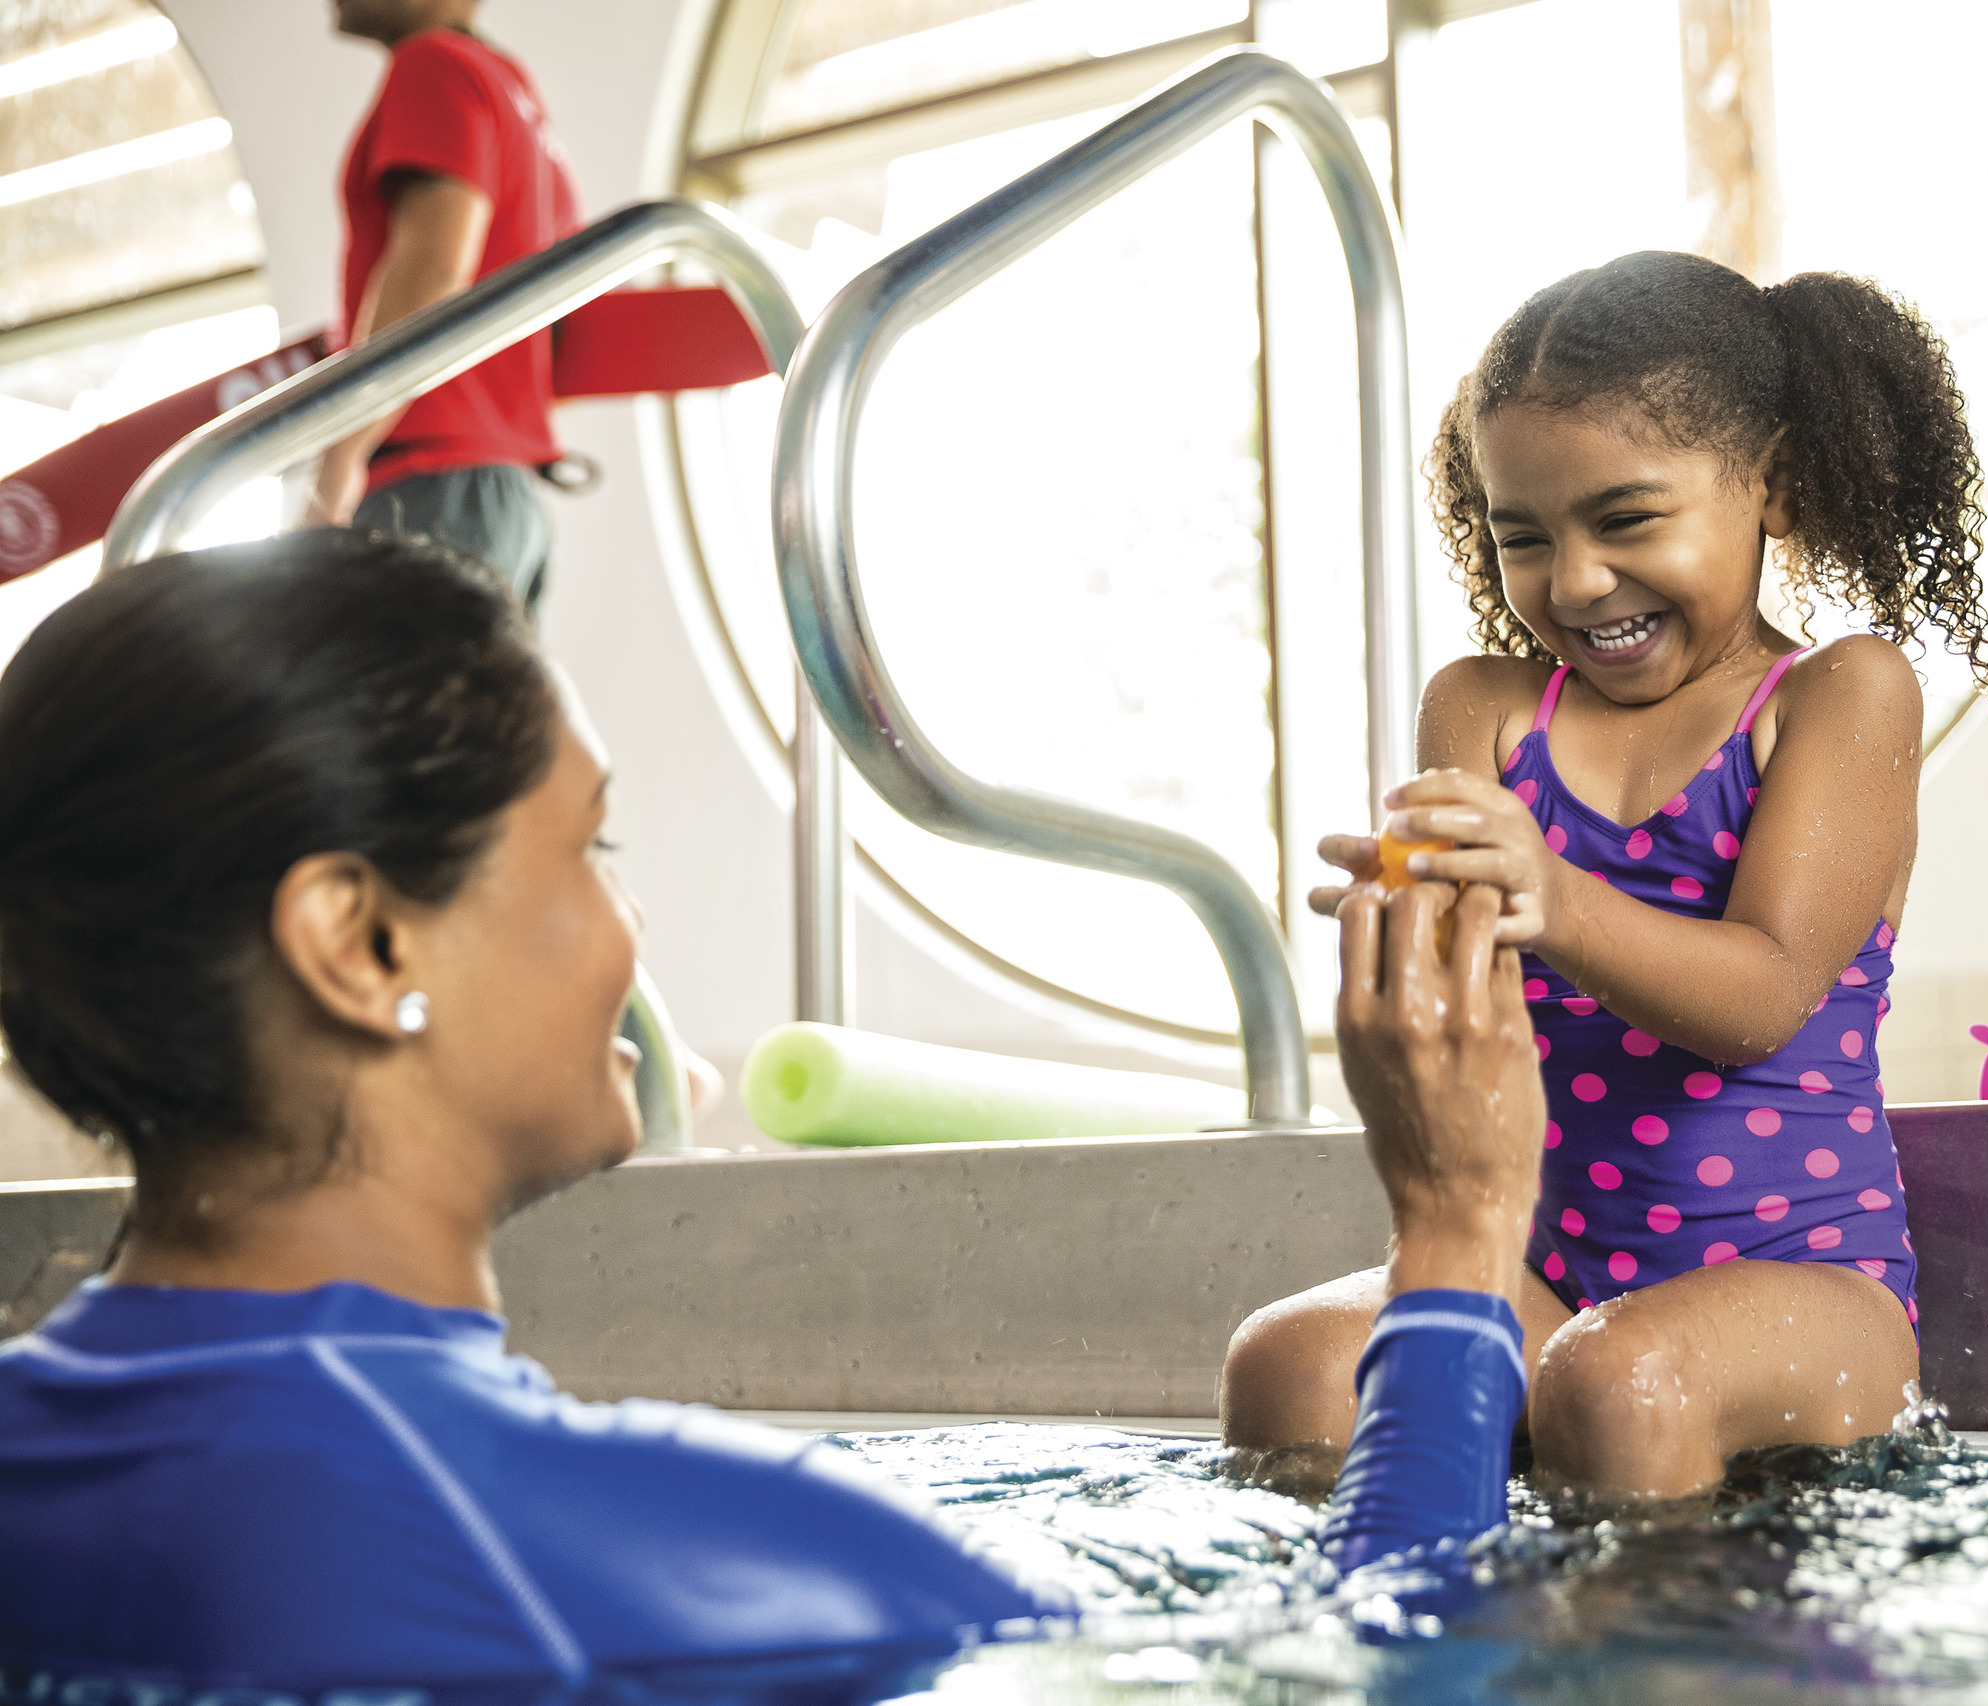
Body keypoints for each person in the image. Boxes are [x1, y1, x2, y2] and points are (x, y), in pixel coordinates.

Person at [0, 533, 1541, 1692]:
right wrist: (1457, 1226)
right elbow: (1355, 1679)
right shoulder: (645, 1548)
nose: (629, 929)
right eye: (586, 848)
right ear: (361, 939)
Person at [1222, 251, 1988, 1499]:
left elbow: (1765, 992)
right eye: (1521, 535)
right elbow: (1461, 1020)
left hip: (1809, 1284)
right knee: (1293, 1365)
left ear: (1776, 486)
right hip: (1549, 1274)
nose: (1574, 582)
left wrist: (1559, 898)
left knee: (1617, 1378)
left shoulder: (1840, 696)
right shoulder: (1484, 709)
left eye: (1627, 520)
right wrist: (1405, 933)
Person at [303, 0, 577, 610]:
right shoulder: (511, 86)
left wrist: (336, 470)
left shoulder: (433, 65)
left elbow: (431, 270)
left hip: (431, 485)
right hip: (504, 492)